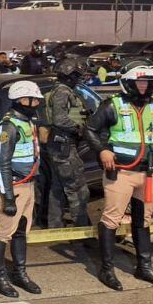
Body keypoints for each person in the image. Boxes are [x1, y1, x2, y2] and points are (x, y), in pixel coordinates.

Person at [85, 61, 153, 291]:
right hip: (121, 174)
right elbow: (90, 129)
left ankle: (144, 267)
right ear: (129, 82)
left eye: (148, 83)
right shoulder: (111, 105)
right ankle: (107, 269)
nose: (144, 87)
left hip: (148, 174)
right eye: (141, 82)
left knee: (143, 221)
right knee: (111, 220)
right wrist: (103, 150)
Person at [0, 80, 45, 297]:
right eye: (32, 99)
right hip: (14, 186)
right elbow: (3, 163)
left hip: (28, 185)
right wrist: (8, 197)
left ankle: (20, 273)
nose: (36, 103)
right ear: (20, 100)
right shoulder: (9, 125)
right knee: (4, 234)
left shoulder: (28, 121)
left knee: (21, 232)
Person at [40, 58, 91, 229]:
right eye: (78, 76)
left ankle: (55, 227)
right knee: (77, 189)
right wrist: (79, 129)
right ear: (70, 76)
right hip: (64, 147)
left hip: (57, 146)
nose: (79, 79)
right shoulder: (63, 92)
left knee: (57, 188)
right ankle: (82, 230)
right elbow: (60, 119)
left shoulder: (57, 90)